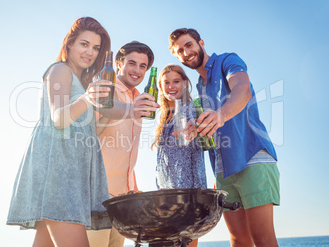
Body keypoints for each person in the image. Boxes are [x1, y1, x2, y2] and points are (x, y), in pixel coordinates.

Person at [6, 17, 159, 246]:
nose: (90, 52)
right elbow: (58, 118)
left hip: (71, 176)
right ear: (70, 44)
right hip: (58, 174)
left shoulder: (85, 81)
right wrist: (88, 98)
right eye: (84, 44)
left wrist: (132, 108)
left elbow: (109, 108)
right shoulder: (60, 70)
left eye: (96, 48)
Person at [168, 28, 280, 247]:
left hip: (251, 157)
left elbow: (242, 89)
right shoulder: (200, 86)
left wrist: (220, 115)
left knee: (262, 238)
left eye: (189, 45)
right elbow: (213, 124)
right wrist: (197, 127)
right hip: (223, 169)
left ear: (200, 42)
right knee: (238, 240)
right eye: (180, 50)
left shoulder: (228, 61)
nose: (186, 52)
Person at [87, 41, 157, 247]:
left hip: (123, 196)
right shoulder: (105, 87)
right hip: (98, 189)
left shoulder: (139, 97)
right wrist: (120, 111)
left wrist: (131, 187)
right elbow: (91, 134)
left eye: (142, 66)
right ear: (119, 64)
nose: (137, 71)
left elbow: (124, 149)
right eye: (131, 63)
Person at [151, 64, 207, 247]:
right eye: (166, 83)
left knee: (186, 242)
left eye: (176, 81)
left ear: (185, 83)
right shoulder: (163, 117)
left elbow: (206, 135)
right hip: (166, 196)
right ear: (160, 86)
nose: (171, 86)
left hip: (189, 195)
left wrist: (196, 125)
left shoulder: (194, 109)